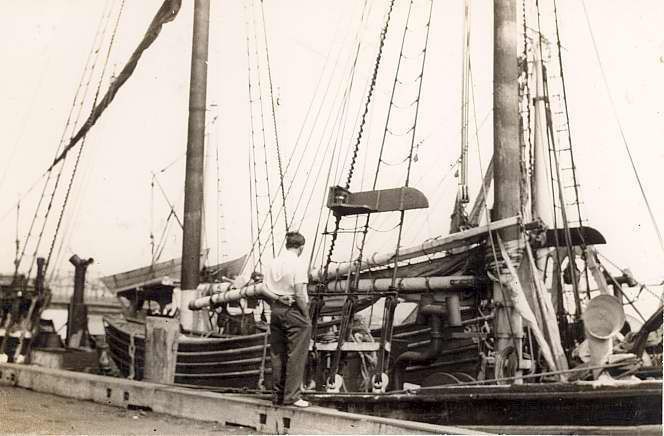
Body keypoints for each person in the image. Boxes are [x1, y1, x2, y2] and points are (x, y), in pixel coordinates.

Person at [264, 231, 311, 408]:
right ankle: (292, 397)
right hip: (293, 311)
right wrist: (305, 315)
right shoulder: (298, 264)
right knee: (296, 354)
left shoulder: (273, 263)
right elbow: (299, 293)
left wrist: (277, 300)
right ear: (301, 247)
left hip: (276, 310)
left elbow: (264, 288)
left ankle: (277, 395)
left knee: (278, 354)